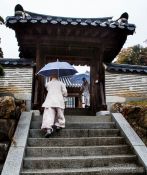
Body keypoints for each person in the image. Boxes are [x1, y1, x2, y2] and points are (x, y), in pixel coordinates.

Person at [41, 72, 68, 138]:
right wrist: (62, 94)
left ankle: (49, 129)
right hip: (59, 101)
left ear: (51, 77)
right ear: (57, 77)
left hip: (50, 101)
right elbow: (65, 92)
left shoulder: (48, 84)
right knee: (60, 114)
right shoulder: (61, 83)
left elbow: (47, 89)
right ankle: (59, 125)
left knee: (49, 115)